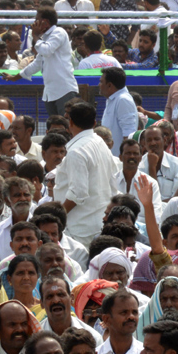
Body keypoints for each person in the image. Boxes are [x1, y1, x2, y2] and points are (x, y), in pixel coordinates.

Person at [53, 101, 119, 246]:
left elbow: (78, 193)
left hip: (80, 228)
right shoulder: (101, 143)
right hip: (99, 222)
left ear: (70, 122)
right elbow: (113, 183)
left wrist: (58, 216)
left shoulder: (77, 151)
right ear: (95, 122)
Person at [9, 8, 78, 117]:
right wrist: (14, 77)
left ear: (45, 22)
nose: (34, 23)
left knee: (68, 127)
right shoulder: (44, 38)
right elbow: (37, 63)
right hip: (49, 94)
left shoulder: (59, 32)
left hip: (65, 91)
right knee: (54, 129)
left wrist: (35, 36)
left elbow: (46, 50)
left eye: (36, 20)